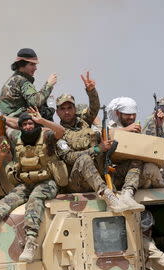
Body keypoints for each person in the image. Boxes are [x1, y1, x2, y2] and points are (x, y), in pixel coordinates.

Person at [0, 107, 65, 263]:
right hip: (27, 183)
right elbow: (3, 127)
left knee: (35, 199)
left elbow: (60, 131)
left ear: (35, 124)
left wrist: (42, 121)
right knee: (9, 198)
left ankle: (31, 242)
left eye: (30, 123)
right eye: (24, 124)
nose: (28, 127)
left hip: (47, 182)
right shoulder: (17, 137)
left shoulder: (46, 136)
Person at [55, 72, 143, 212]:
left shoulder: (84, 122)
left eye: (70, 108)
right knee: (84, 158)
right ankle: (108, 196)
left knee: (136, 161)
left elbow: (94, 108)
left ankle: (127, 195)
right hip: (79, 181)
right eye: (63, 109)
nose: (67, 112)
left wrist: (91, 91)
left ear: (74, 108)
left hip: (102, 172)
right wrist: (97, 149)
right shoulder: (59, 133)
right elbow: (69, 157)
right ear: (57, 112)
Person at [107, 97, 164, 199]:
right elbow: (106, 137)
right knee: (136, 161)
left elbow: (156, 150)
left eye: (133, 114)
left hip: (136, 174)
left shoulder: (137, 129)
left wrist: (159, 126)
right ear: (118, 113)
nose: (131, 117)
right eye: (127, 114)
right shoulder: (109, 127)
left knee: (151, 167)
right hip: (116, 176)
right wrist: (126, 130)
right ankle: (127, 193)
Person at [0, 48, 57, 119]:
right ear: (22, 65)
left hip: (9, 121)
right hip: (15, 123)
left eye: (35, 64)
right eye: (32, 64)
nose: (35, 68)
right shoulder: (22, 81)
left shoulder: (14, 79)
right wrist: (48, 85)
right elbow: (36, 102)